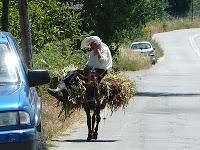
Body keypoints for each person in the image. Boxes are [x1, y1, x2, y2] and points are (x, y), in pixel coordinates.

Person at [47, 36, 112, 100]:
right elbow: (89, 63)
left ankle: (92, 100)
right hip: (92, 71)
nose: (90, 47)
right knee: (73, 72)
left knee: (90, 79)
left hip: (101, 71)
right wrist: (86, 67)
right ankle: (60, 89)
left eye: (91, 45)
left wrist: (98, 52)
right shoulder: (92, 53)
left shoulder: (104, 50)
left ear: (96, 44)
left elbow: (103, 61)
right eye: (90, 45)